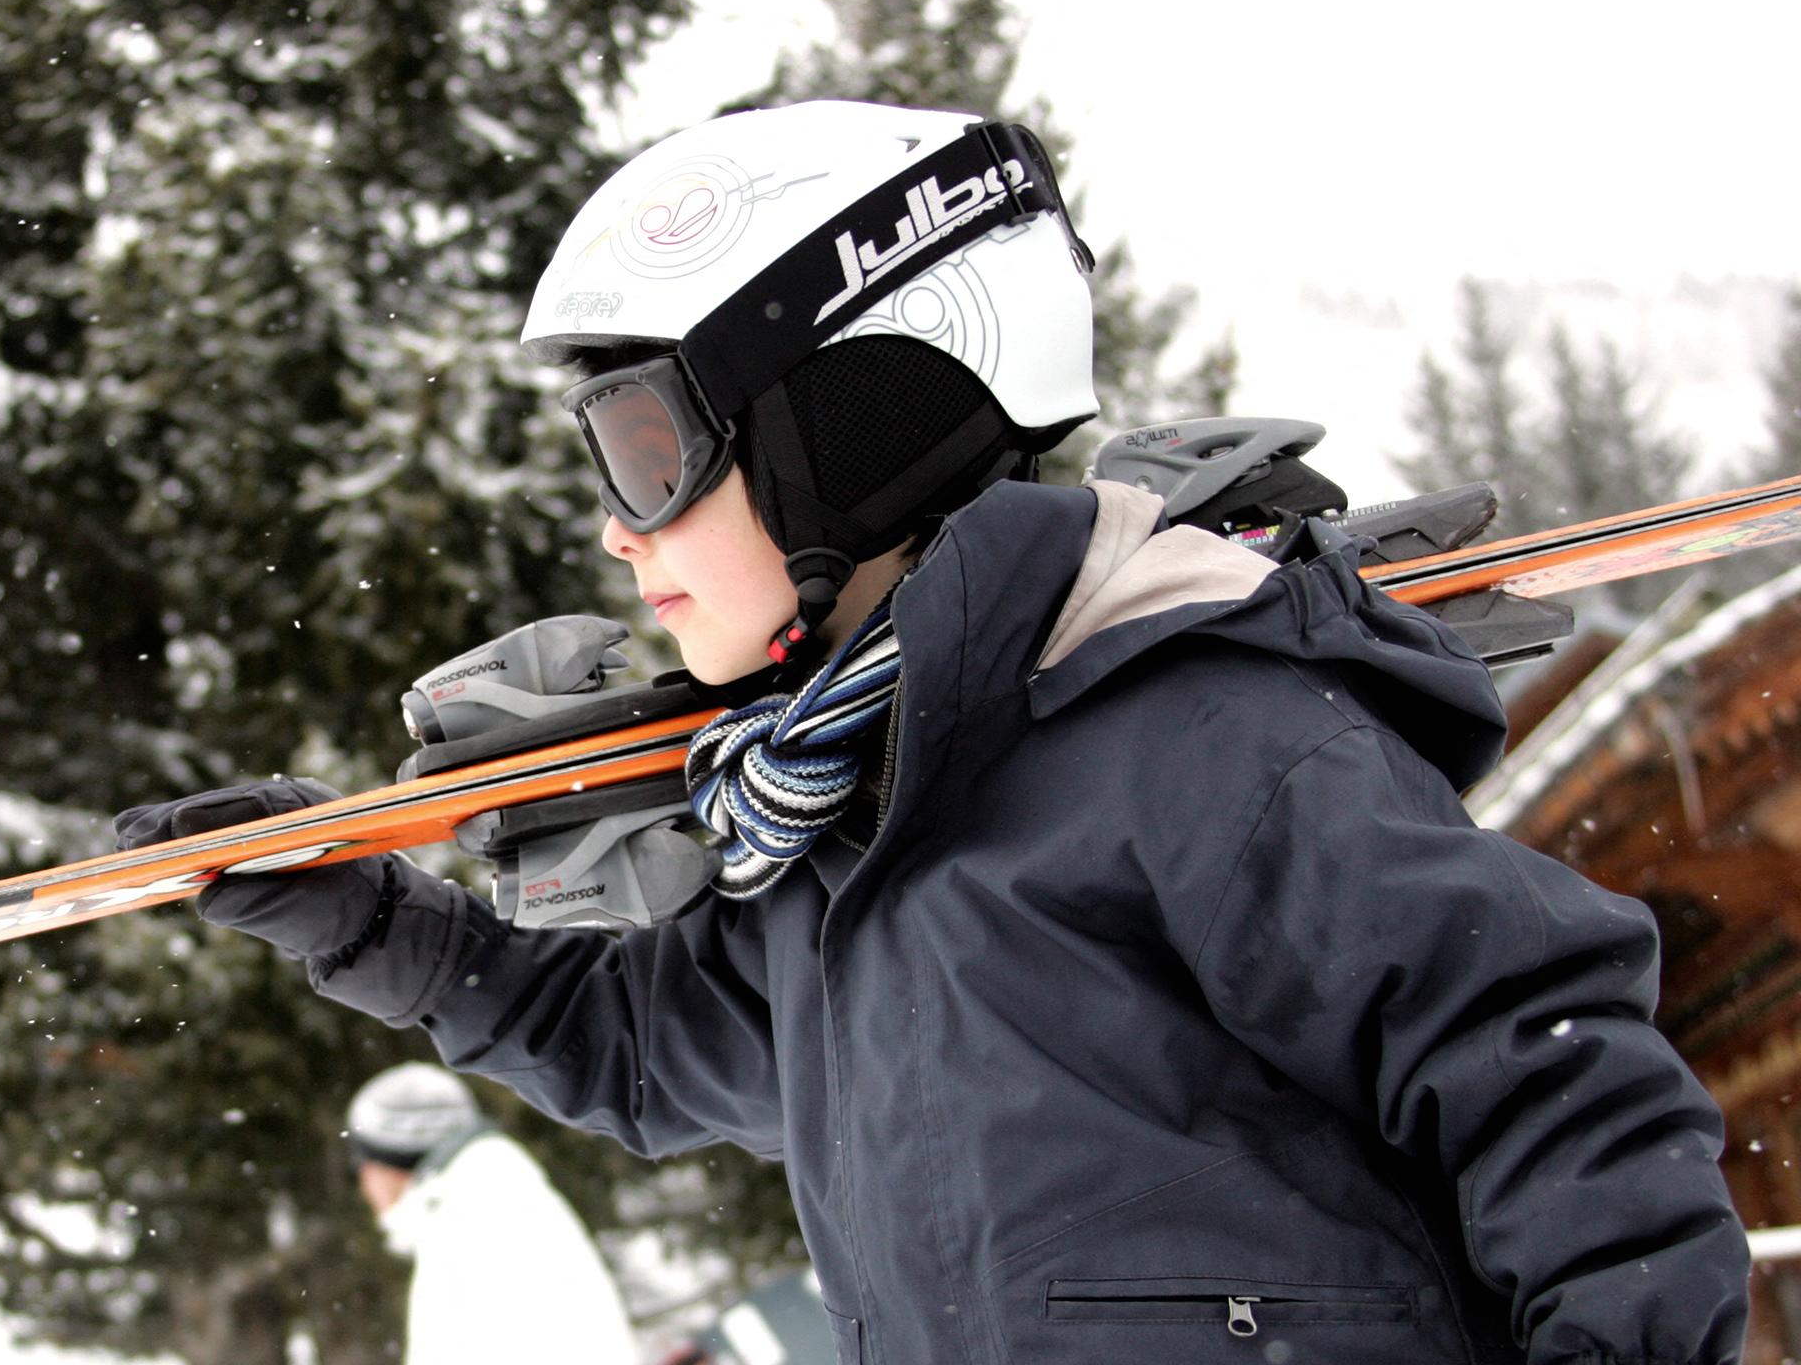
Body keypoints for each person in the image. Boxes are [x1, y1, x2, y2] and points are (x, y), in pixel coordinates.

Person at [116, 101, 1752, 1363]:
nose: (622, 535)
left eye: (645, 452)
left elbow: (1540, 1063)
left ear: (851, 424)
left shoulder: (1188, 728)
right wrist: (374, 926)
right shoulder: (836, 850)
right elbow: (631, 1049)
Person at [339, 1061, 638, 1365]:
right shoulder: (488, 1199)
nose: (364, 1186)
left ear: (390, 1161)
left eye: (360, 1166)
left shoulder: (476, 1220)